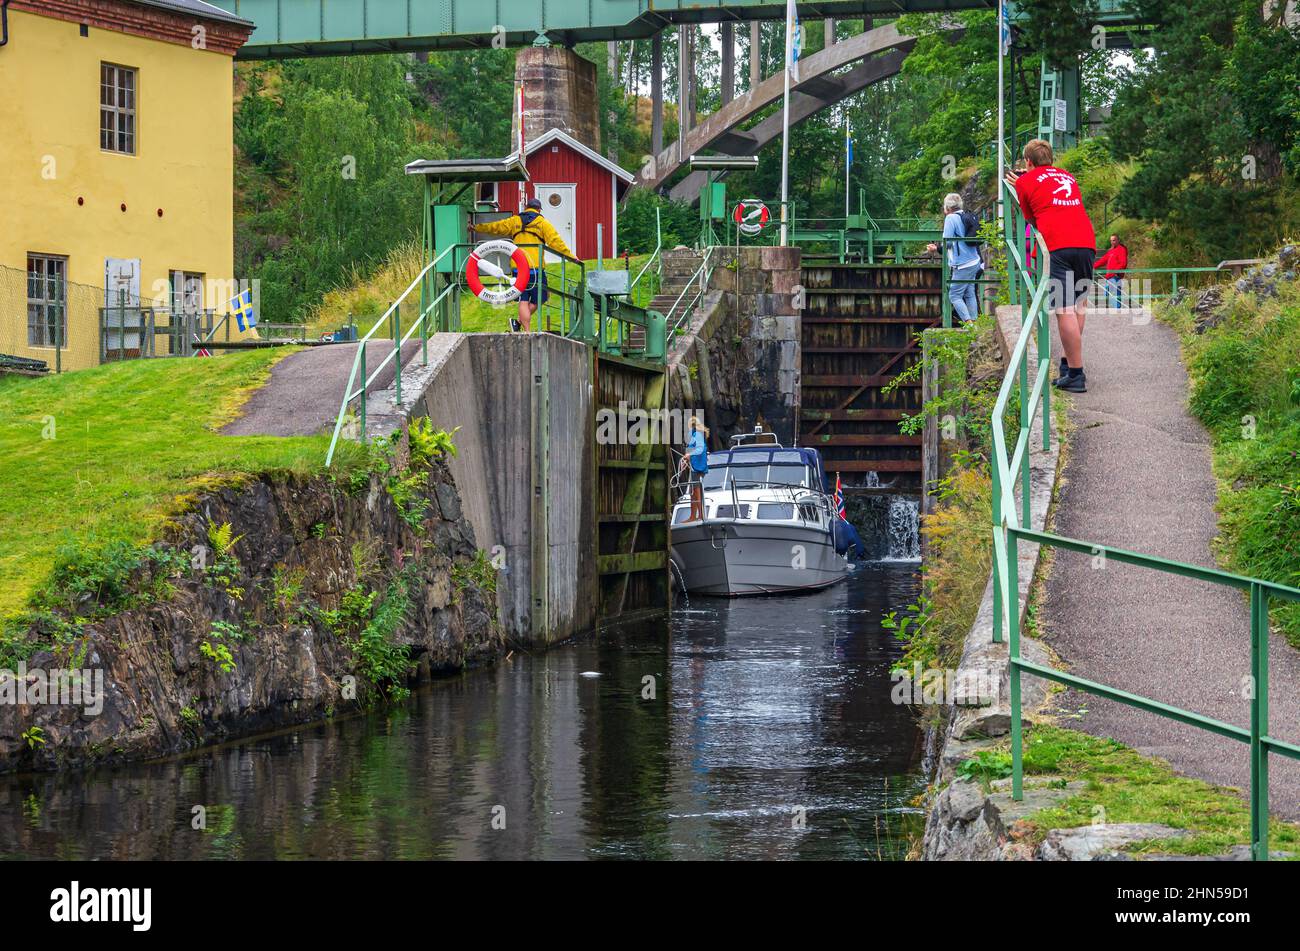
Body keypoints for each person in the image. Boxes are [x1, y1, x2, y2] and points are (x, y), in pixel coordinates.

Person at [1006, 139, 1096, 393]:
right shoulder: (1069, 176)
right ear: (1051, 159)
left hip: (1058, 245)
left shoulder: (1024, 181)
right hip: (1086, 242)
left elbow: (1031, 218)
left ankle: (1077, 375)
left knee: (1063, 309)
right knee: (1079, 304)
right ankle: (1069, 366)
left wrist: (1021, 183)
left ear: (1028, 161)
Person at [470, 196, 576, 333]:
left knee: (524, 299)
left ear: (526, 208)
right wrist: (571, 256)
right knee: (540, 298)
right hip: (535, 268)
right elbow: (556, 241)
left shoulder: (515, 221)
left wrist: (476, 227)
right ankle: (526, 331)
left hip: (518, 267)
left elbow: (495, 227)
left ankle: (519, 324)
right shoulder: (542, 223)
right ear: (538, 209)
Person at [927, 193, 982, 323]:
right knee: (969, 293)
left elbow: (948, 242)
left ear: (947, 207)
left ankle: (969, 324)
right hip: (975, 260)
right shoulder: (965, 215)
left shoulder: (951, 218)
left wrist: (935, 248)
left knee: (954, 295)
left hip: (963, 264)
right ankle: (974, 323)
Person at [678, 416, 710, 521]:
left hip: (697, 467)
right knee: (693, 491)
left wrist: (689, 455)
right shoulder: (698, 434)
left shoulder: (696, 433)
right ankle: (693, 516)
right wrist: (687, 458)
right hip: (697, 466)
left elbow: (700, 449)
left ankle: (700, 516)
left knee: (696, 491)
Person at [1093, 233, 1128, 310]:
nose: (1112, 242)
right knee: (1107, 293)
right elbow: (1103, 260)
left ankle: (1118, 309)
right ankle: (1116, 308)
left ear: (1118, 240)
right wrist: (1093, 266)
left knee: (1114, 293)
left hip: (1115, 276)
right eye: (1111, 240)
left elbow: (1123, 263)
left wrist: (1116, 272)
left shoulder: (1121, 249)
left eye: (1114, 240)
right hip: (1109, 276)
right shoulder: (1111, 250)